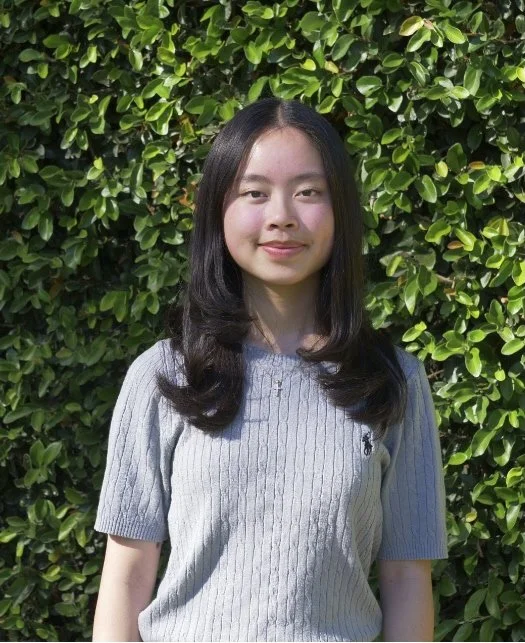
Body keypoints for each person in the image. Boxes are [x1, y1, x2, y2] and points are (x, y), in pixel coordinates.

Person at [92, 98, 448, 642]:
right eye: (254, 193)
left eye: (308, 192)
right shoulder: (164, 376)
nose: (281, 216)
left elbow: (406, 577)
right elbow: (127, 572)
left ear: (341, 210)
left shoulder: (392, 381)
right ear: (219, 212)